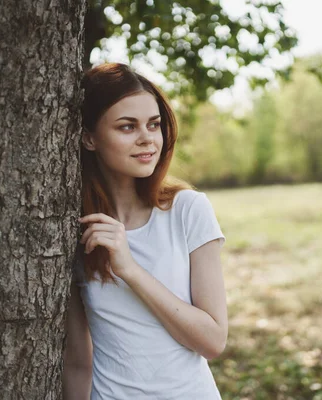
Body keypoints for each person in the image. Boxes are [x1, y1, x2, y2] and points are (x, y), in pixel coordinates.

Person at [63, 63, 228, 399]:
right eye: (127, 127)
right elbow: (78, 360)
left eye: (154, 125)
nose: (147, 139)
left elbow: (212, 341)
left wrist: (130, 270)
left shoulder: (187, 210)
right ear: (89, 138)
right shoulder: (76, 229)